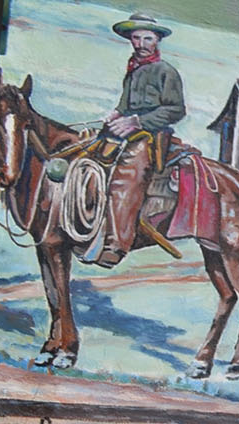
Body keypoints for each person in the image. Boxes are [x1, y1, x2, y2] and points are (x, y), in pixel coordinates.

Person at [98, 14, 186, 267]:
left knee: (125, 179)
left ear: (157, 39)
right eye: (136, 37)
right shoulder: (134, 70)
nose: (141, 43)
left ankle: (116, 245)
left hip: (153, 136)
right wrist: (115, 114)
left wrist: (137, 122)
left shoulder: (165, 71)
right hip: (128, 130)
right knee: (89, 153)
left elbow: (176, 110)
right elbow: (125, 105)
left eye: (147, 38)